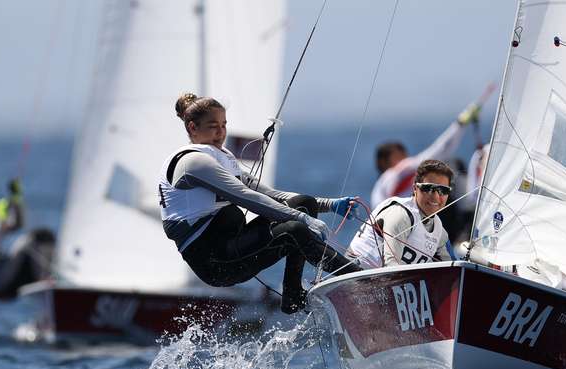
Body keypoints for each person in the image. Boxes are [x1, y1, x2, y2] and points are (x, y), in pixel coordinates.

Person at [160, 93, 362, 314]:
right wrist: (301, 218)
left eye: (224, 125)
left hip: (233, 244)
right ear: (192, 128)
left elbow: (270, 194)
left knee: (304, 203)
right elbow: (246, 196)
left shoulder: (220, 158)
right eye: (212, 126)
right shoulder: (193, 163)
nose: (221, 132)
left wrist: (331, 205)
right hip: (215, 262)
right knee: (294, 228)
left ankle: (292, 295)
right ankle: (355, 280)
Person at [348, 160, 457, 268]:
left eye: (443, 190)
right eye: (428, 188)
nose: (436, 196)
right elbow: (390, 264)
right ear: (415, 188)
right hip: (352, 271)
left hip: (381, 281)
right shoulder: (401, 216)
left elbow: (454, 270)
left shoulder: (440, 233)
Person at [370, 101, 481, 207]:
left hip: (400, 220)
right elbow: (441, 150)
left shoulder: (377, 190)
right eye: (400, 156)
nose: (406, 159)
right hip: (413, 219)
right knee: (453, 165)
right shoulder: (399, 171)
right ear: (384, 162)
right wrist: (460, 123)